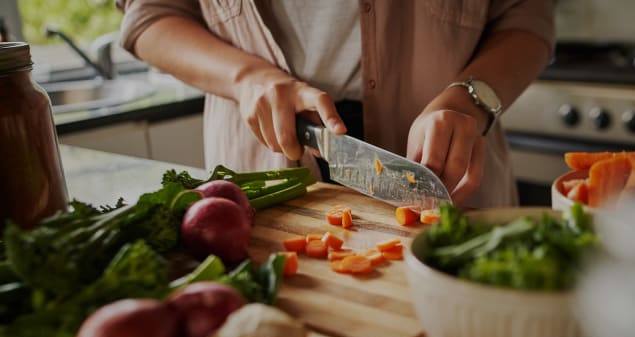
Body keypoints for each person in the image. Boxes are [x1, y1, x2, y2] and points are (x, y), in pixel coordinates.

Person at [116, 0, 554, 207]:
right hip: (267, 162)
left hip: (449, 170)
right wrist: (248, 78)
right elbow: (149, 16)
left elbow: (528, 20)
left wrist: (471, 98)